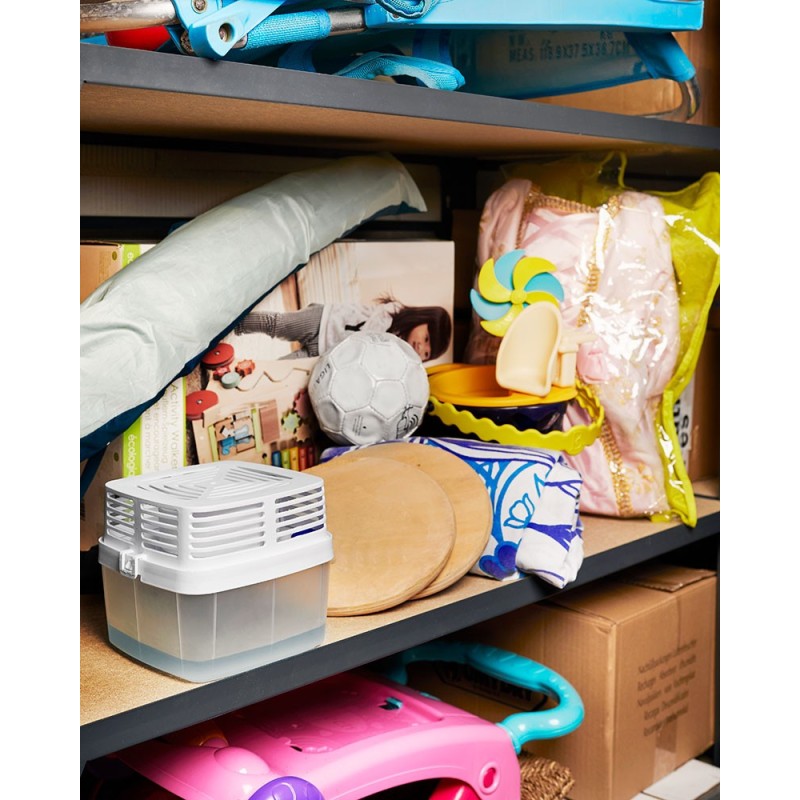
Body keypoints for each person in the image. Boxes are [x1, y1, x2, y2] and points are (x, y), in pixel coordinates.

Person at [234, 295, 452, 362]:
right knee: (278, 325)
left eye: (426, 354)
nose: (420, 348)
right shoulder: (393, 312)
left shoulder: (395, 360)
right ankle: (236, 323)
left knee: (280, 370)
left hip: (322, 356)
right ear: (421, 319)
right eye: (426, 338)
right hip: (324, 321)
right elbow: (370, 335)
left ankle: (237, 380)